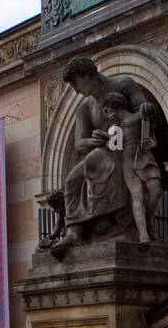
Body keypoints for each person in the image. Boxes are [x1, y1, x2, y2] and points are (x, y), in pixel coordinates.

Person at [51, 57, 158, 257]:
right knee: (72, 180)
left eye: (76, 83)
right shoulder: (84, 108)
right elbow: (80, 144)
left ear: (86, 76)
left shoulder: (124, 85)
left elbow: (147, 116)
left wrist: (147, 109)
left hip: (126, 150)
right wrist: (92, 141)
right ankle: (74, 232)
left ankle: (111, 221)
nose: (76, 90)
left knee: (110, 166)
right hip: (101, 151)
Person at [101, 91, 162, 245]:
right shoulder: (115, 128)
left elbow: (152, 136)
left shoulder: (139, 118)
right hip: (127, 163)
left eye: (107, 111)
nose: (108, 116)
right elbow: (113, 149)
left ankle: (148, 221)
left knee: (156, 190)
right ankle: (143, 235)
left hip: (144, 158)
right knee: (137, 195)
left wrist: (152, 143)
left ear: (115, 106)